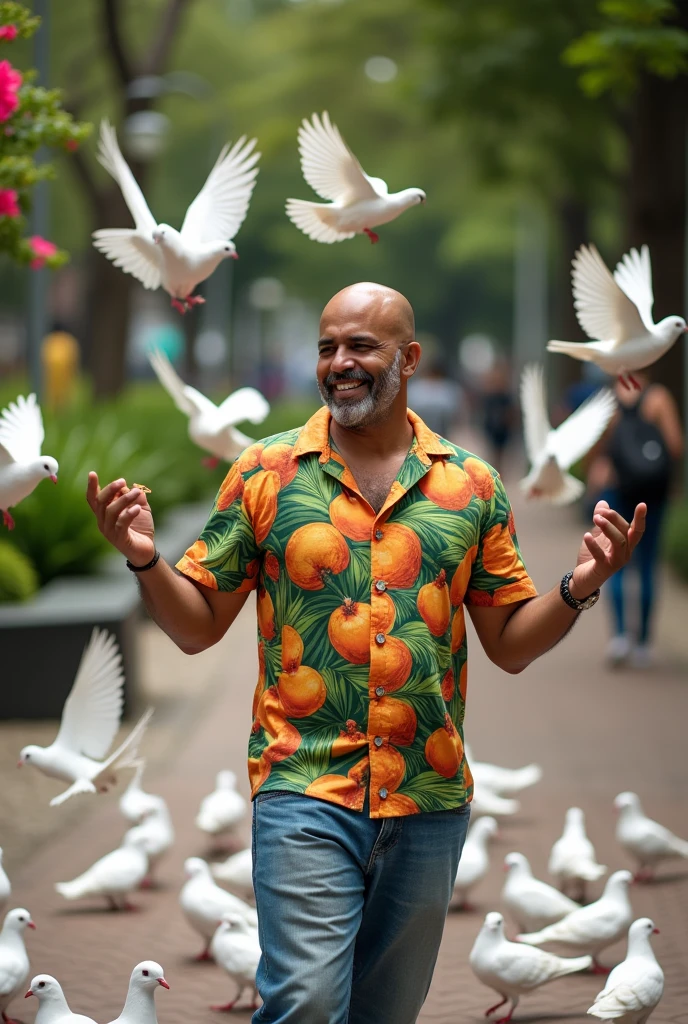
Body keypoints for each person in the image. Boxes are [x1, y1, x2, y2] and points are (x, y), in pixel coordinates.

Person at [87, 282, 644, 1024]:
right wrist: (145, 561)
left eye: (360, 346)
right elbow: (195, 628)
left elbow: (510, 643)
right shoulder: (265, 474)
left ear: (409, 358)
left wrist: (580, 587)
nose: (339, 362)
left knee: (385, 1012)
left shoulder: (471, 486)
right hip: (303, 785)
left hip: (429, 796)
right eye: (327, 347)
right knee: (308, 1001)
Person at [587, 371, 682, 668]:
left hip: (617, 490)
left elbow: (597, 447)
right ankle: (642, 644)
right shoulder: (658, 398)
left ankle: (619, 638)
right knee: (648, 563)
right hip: (652, 494)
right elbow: (676, 446)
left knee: (612, 560)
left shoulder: (609, 400)